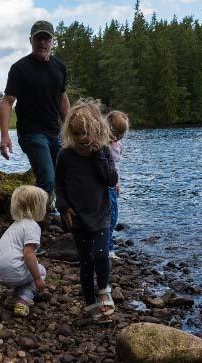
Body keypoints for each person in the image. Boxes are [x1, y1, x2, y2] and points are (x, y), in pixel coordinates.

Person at [55, 100, 118, 322]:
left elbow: (111, 180)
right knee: (85, 262)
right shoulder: (65, 155)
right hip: (77, 218)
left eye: (87, 133)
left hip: (100, 214)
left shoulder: (103, 152)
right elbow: (59, 184)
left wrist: (99, 154)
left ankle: (103, 290)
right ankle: (90, 301)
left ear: (97, 130)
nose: (83, 138)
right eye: (78, 133)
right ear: (71, 132)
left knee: (101, 255)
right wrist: (62, 207)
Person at [0, 20, 69, 213]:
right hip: (31, 133)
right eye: (38, 38)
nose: (42, 43)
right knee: (47, 176)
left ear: (53, 41)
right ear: (30, 40)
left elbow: (63, 98)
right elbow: (7, 102)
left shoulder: (60, 67)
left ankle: (54, 212)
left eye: (46, 38)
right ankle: (37, 221)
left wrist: (71, 128)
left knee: (62, 175)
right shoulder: (19, 68)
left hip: (55, 132)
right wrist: (4, 135)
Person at [0, 185, 48, 317]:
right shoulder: (32, 226)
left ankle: (14, 294)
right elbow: (28, 254)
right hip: (12, 271)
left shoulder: (16, 225)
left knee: (23, 266)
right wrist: (37, 278)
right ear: (38, 207)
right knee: (41, 270)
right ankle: (24, 299)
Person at [106, 110, 129, 261]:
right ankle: (108, 248)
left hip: (112, 184)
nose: (119, 137)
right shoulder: (102, 145)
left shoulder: (117, 144)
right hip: (104, 186)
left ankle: (106, 243)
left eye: (122, 134)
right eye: (117, 133)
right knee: (110, 216)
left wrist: (118, 182)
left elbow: (116, 167)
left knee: (113, 216)